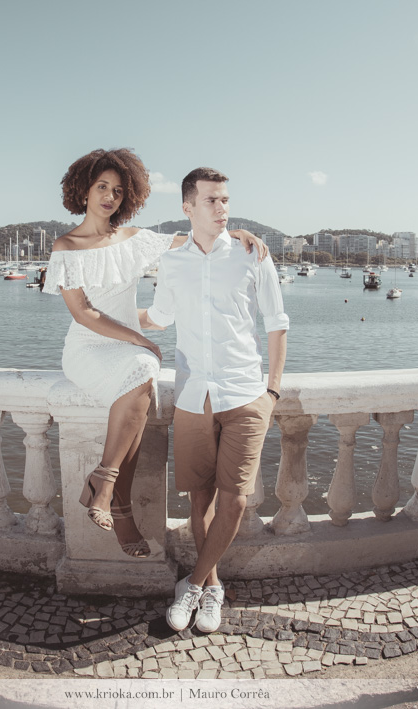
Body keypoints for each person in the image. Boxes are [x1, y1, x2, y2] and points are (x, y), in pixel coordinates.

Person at [43, 150, 267, 558]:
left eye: (117, 190)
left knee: (140, 386)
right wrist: (138, 338)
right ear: (83, 189)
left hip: (128, 345)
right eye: (101, 187)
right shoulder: (66, 246)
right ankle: (112, 493)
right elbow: (84, 313)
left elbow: (194, 237)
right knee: (144, 368)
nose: (109, 197)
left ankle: (108, 488)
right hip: (89, 347)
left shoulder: (135, 239)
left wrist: (236, 234)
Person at [141, 166, 288, 633]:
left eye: (225, 200)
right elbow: (160, 317)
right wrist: (99, 313)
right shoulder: (173, 261)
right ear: (188, 207)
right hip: (191, 395)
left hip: (245, 394)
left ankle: (197, 584)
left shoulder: (252, 254)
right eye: (212, 201)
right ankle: (213, 588)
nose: (222, 208)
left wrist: (273, 391)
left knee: (235, 502)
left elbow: (277, 323)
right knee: (198, 499)